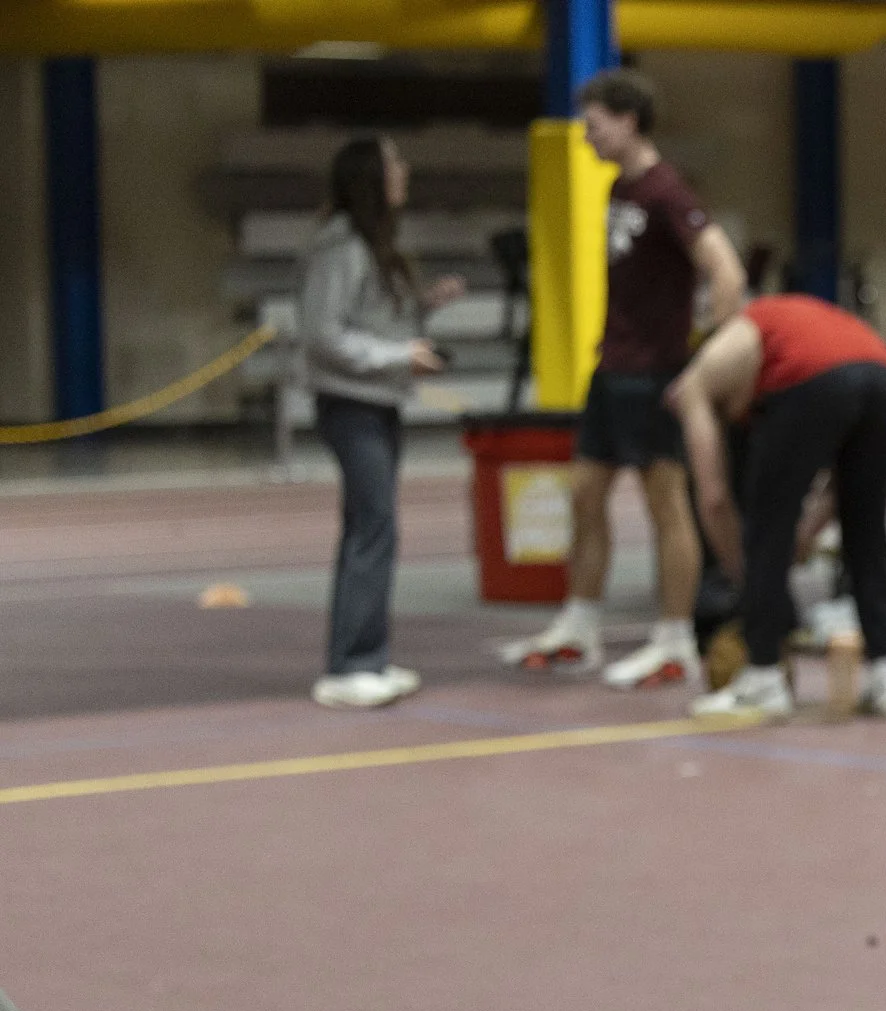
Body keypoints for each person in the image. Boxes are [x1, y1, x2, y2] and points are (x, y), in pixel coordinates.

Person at [503, 68, 747, 692]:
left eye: (593, 125)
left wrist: (713, 358)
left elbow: (725, 269)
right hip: (611, 370)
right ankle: (579, 626)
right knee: (585, 494)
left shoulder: (669, 193)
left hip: (657, 373)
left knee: (666, 503)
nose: (585, 136)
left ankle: (673, 641)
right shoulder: (619, 188)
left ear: (628, 120)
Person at [665, 292, 886, 719]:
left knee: (764, 526)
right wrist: (806, 533)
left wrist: (748, 576)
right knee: (867, 528)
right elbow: (841, 493)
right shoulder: (774, 329)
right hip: (881, 371)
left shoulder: (692, 388)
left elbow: (715, 499)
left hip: (807, 376)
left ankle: (762, 676)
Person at [299, 136, 463, 710]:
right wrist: (399, 355)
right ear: (371, 176)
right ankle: (349, 665)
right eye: (396, 163)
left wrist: (423, 308)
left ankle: (369, 654)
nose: (405, 171)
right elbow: (324, 334)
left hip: (377, 402)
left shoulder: (373, 244)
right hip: (351, 403)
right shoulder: (339, 244)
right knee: (371, 527)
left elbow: (367, 317)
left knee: (375, 527)